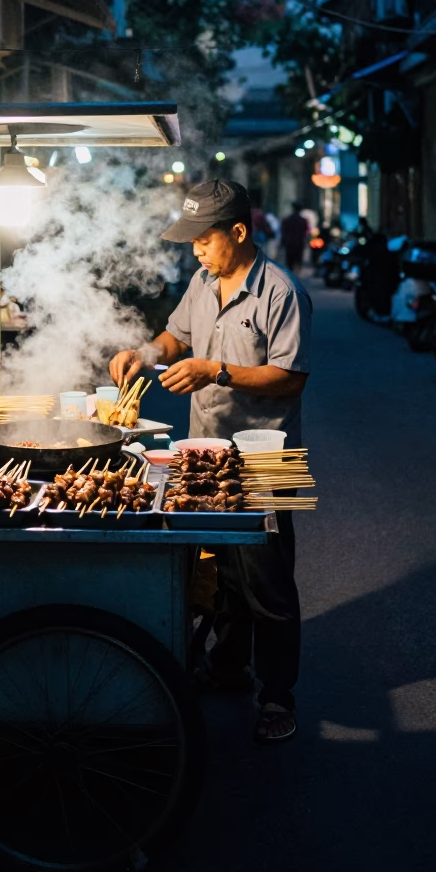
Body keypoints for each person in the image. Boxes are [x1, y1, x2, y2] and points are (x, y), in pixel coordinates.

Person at [110, 180, 312, 743]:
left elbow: (291, 377)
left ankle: (276, 698)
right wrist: (143, 353)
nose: (195, 250)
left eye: (204, 239)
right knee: (221, 573)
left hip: (265, 458)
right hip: (207, 452)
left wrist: (215, 370)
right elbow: (174, 338)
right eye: (191, 241)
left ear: (239, 232)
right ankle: (227, 667)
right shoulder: (202, 284)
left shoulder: (281, 292)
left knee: (268, 583)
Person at [280, 202, 309, 273]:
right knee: (298, 261)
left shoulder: (288, 219)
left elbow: (284, 231)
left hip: (289, 243)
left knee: (290, 261)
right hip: (299, 243)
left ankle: (291, 274)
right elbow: (305, 232)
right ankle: (296, 275)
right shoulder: (303, 220)